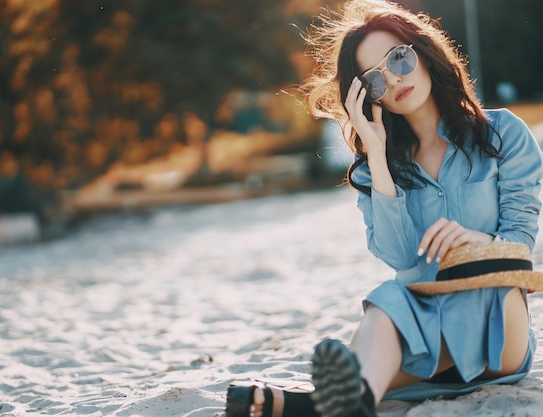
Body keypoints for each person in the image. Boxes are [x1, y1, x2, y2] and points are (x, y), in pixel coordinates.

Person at [225, 0, 543, 416]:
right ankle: (339, 404)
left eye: (399, 58)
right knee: (390, 300)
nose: (392, 79)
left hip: (500, 327)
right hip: (423, 327)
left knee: (457, 286)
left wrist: (477, 242)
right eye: (374, 80)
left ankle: (347, 390)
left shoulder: (502, 134)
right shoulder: (374, 172)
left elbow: (521, 245)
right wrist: (376, 156)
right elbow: (402, 260)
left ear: (424, 53)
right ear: (367, 97)